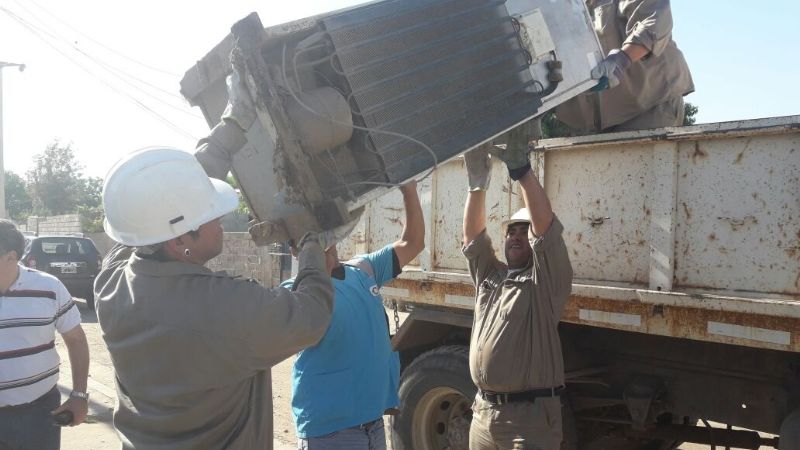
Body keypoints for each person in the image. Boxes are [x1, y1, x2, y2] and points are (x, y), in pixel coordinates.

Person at [95, 145, 335, 450]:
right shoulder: (225, 306)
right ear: (180, 240)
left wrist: (220, 146)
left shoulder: (110, 285)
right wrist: (311, 246)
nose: (220, 219)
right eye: (210, 214)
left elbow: (143, 223)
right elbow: (311, 316)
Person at [284, 180, 424, 450]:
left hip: (372, 424)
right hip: (329, 433)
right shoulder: (294, 292)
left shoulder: (364, 269)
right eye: (309, 237)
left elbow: (413, 242)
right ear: (294, 249)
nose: (322, 241)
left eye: (323, 231)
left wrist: (409, 190)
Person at [461, 122, 573, 450]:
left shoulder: (543, 283)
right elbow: (473, 241)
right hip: (483, 413)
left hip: (528, 422)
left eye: (524, 231)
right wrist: (477, 184)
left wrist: (521, 171)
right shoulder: (491, 276)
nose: (516, 236)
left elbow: (546, 231)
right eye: (511, 230)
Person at [0, 218, 90, 449]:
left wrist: (79, 395)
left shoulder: (49, 287)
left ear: (10, 257)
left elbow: (76, 340)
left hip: (38, 414)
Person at [556, 0, 694, 134]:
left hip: (649, 106)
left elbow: (654, 21)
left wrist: (623, 58)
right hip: (591, 125)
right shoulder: (558, 7)